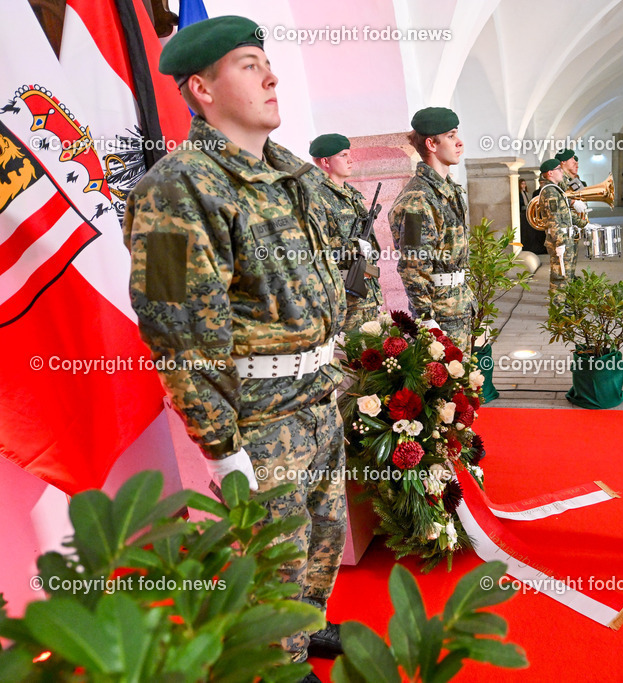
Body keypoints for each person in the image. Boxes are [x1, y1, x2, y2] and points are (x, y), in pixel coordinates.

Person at [123, 16, 346, 677]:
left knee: (322, 541)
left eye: (267, 61)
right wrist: (223, 446)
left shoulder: (293, 174)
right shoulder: (174, 188)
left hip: (317, 398)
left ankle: (305, 631)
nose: (271, 75)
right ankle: (279, 665)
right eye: (250, 65)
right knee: (274, 561)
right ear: (203, 89)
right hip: (260, 415)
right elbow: (172, 325)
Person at [389, 107, 476, 351]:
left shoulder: (447, 189)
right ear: (431, 144)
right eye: (450, 136)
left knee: (463, 382)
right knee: (444, 386)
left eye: (456, 134)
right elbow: (414, 266)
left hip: (457, 304)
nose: (459, 143)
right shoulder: (418, 200)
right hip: (439, 314)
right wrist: (426, 318)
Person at [310, 133, 383, 331]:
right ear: (325, 161)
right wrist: (354, 247)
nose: (351, 160)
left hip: (367, 294)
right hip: (344, 296)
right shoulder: (316, 197)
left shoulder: (351, 195)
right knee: (350, 357)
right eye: (343, 155)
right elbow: (315, 246)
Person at [535, 158, 583, 306]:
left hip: (564, 238)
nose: (562, 172)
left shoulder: (555, 189)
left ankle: (564, 304)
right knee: (559, 276)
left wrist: (584, 224)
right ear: (550, 173)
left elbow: (565, 214)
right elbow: (554, 220)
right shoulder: (549, 192)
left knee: (566, 275)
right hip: (559, 240)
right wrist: (560, 243)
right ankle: (558, 310)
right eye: (559, 170)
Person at [519, 177, 546, 255]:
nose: (524, 185)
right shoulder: (535, 192)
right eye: (522, 183)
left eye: (524, 183)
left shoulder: (526, 192)